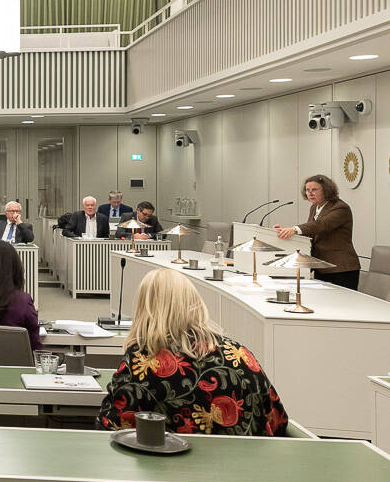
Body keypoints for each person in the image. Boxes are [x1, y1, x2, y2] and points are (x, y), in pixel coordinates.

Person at [98, 269, 289, 436]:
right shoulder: (240, 354)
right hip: (247, 473)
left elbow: (111, 424)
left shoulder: (142, 361)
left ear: (145, 309)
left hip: (170, 473)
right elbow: (278, 422)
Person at [273, 174, 360, 290]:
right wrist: (285, 231)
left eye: (314, 189)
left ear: (326, 190)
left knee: (341, 305)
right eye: (307, 190)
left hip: (341, 268)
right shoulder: (314, 208)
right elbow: (311, 232)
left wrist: (294, 229)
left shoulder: (340, 207)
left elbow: (321, 225)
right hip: (322, 266)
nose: (310, 193)